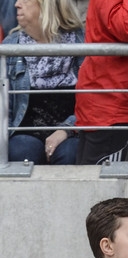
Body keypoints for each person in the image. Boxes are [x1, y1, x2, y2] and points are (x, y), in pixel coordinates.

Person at [2, 0, 84, 165]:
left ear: (47, 6)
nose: (17, 4)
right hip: (24, 133)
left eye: (25, 0)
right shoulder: (10, 45)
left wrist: (67, 129)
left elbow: (92, 99)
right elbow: (5, 108)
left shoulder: (82, 41)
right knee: (22, 150)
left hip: (70, 131)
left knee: (70, 153)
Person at [74, 0, 128, 164]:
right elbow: (127, 27)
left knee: (89, 180)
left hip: (106, 99)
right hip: (111, 104)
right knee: (102, 184)